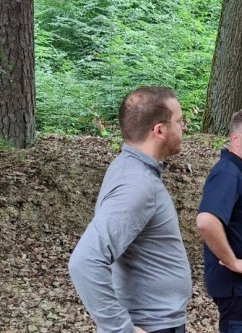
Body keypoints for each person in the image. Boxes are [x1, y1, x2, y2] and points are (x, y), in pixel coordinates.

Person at [69, 86, 191, 333]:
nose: (184, 127)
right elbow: (85, 261)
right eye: (179, 121)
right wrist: (121, 329)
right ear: (159, 130)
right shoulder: (137, 183)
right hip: (151, 325)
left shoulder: (130, 168)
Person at [196, 107, 242, 333]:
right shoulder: (227, 173)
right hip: (238, 292)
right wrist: (231, 261)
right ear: (235, 139)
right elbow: (206, 221)